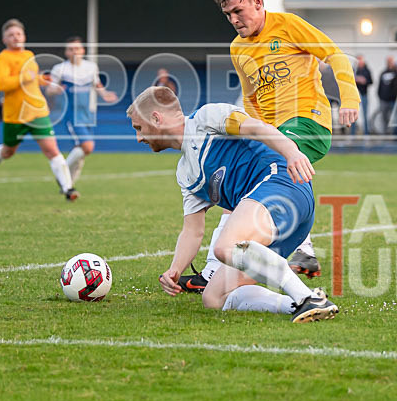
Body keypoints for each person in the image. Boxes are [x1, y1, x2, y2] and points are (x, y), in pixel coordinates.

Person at [129, 86, 338, 322]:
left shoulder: (205, 119)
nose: (139, 137)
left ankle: (306, 297)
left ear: (156, 118)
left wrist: (292, 152)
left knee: (226, 247)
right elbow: (192, 231)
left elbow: (257, 128)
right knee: (214, 297)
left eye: (139, 127)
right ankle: (297, 305)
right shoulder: (185, 173)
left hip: (283, 182)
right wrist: (174, 270)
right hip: (280, 222)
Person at [209, 0, 359, 285]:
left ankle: (213, 268)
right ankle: (302, 250)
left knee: (259, 176)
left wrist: (350, 99)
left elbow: (335, 55)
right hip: (274, 133)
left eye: (239, 10)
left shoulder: (288, 25)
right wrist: (253, 132)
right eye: (227, 14)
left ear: (258, 2)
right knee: (249, 177)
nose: (234, 19)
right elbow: (251, 98)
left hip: (309, 122)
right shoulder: (238, 49)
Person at [0, 19, 78, 200]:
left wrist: (44, 79)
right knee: (8, 151)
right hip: (15, 115)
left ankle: (68, 189)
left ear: (24, 36)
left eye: (18, 34)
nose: (15, 37)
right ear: (4, 39)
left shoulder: (28, 55)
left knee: (52, 149)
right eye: (11, 35)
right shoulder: (2, 59)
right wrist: (24, 76)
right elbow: (2, 84)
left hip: (37, 112)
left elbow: (32, 79)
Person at [49, 36, 118, 184]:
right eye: (71, 49)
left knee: (82, 151)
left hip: (87, 114)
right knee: (87, 146)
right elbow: (50, 90)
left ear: (83, 50)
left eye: (77, 48)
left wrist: (105, 95)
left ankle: (68, 186)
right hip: (70, 114)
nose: (75, 51)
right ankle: (63, 173)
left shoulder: (91, 67)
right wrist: (57, 89)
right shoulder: (60, 69)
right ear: (66, 52)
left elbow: (97, 84)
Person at [377, 56, 397, 135]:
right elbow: (380, 86)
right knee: (384, 119)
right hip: (384, 100)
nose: (390, 63)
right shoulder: (383, 73)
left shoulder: (396, 73)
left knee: (395, 120)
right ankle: (385, 135)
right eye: (388, 61)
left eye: (391, 61)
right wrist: (380, 96)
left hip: (393, 100)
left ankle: (395, 135)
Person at [351, 54, 372, 136]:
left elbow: (371, 81)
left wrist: (364, 81)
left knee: (365, 114)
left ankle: (366, 133)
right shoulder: (353, 70)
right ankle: (352, 134)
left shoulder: (367, 70)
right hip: (354, 96)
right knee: (353, 115)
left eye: (360, 59)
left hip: (364, 94)